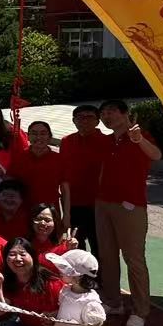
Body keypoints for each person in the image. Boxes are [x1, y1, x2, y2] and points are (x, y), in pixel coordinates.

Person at [93, 100, 161, 326]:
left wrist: (139, 139)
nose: (107, 116)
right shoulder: (107, 140)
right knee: (107, 256)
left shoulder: (140, 136)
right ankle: (114, 302)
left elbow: (156, 155)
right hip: (103, 204)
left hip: (130, 207)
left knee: (134, 259)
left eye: (111, 111)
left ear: (125, 114)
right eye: (103, 113)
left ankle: (140, 310)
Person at [0, 238, 65, 326]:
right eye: (12, 254)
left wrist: (55, 316)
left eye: (22, 254)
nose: (17, 259)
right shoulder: (10, 282)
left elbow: (74, 309)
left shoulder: (51, 282)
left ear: (33, 256)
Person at [58, 104, 110, 256]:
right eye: (80, 117)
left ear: (98, 121)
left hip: (99, 206)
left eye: (89, 117)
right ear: (74, 121)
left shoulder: (107, 142)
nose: (85, 121)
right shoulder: (67, 141)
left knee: (100, 248)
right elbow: (63, 176)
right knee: (75, 248)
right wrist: (66, 212)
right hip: (73, 204)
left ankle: (101, 273)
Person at [43, 248, 106, 326]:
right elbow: (66, 312)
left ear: (78, 276)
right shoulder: (66, 291)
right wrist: (53, 315)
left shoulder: (90, 304)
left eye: (64, 268)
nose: (60, 270)